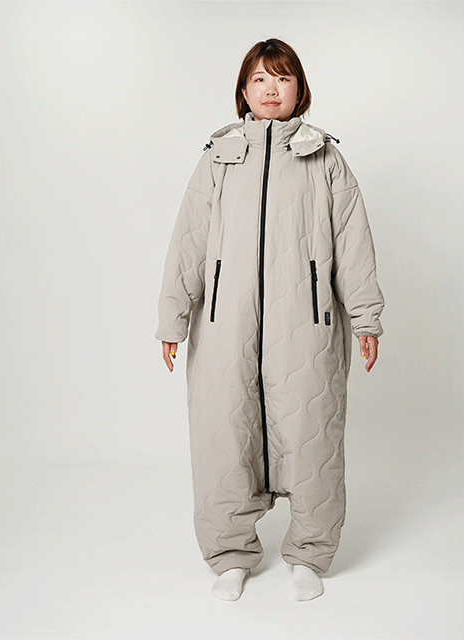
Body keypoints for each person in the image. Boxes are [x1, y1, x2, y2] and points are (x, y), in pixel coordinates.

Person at [155, 38, 385, 602]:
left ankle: (309, 554)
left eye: (282, 78)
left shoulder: (323, 158)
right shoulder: (219, 156)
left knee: (312, 434)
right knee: (222, 436)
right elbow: (189, 240)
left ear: (299, 88)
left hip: (307, 323)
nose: (271, 89)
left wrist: (366, 318)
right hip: (224, 325)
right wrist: (173, 317)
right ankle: (230, 555)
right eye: (259, 79)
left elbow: (353, 242)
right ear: (243, 91)